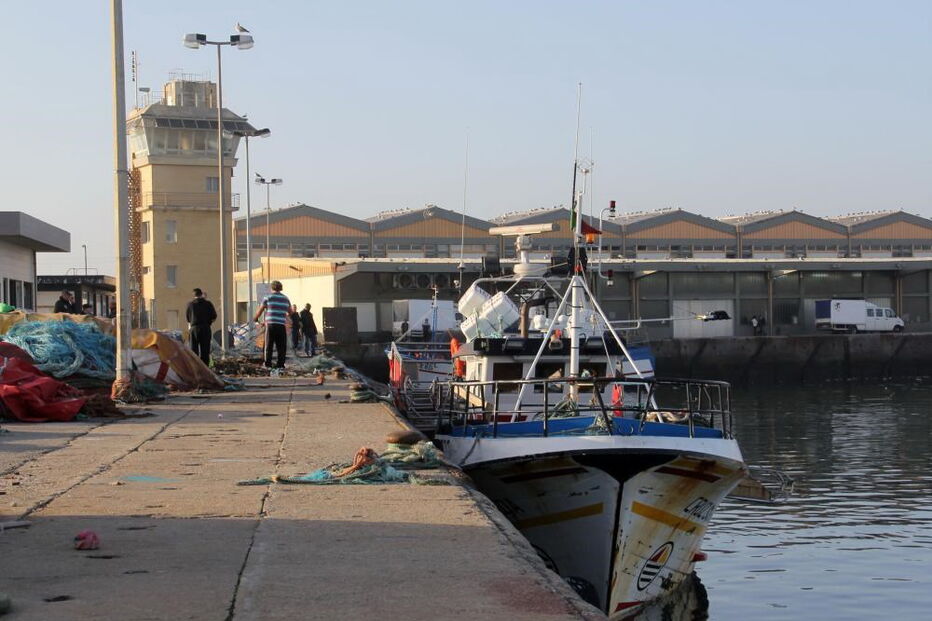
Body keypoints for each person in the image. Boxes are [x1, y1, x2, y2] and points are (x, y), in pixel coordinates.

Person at [253, 280, 291, 369]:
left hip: (270, 325)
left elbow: (260, 310)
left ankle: (267, 364)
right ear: (280, 288)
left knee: (268, 345)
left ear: (272, 288)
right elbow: (291, 312)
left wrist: (255, 319)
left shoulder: (268, 297)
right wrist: (282, 314)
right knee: (281, 346)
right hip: (281, 325)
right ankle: (280, 365)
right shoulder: (286, 298)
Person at [186, 288, 217, 366]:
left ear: (194, 295)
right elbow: (214, 317)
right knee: (205, 350)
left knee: (193, 350)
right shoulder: (208, 304)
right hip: (205, 328)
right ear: (201, 294)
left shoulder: (190, 305)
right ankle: (205, 368)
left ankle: (195, 368)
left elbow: (188, 319)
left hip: (194, 328)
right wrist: (208, 323)